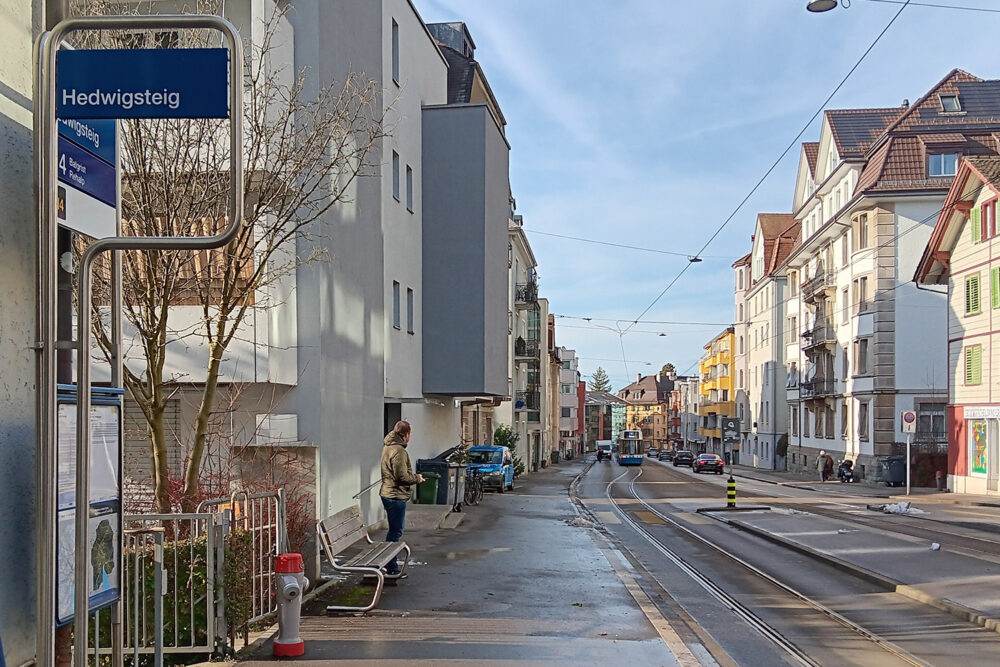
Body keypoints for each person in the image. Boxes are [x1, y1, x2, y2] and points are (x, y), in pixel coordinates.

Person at [380, 420, 424, 576]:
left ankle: (389, 564)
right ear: (406, 434)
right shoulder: (399, 451)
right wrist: (417, 478)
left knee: (394, 531)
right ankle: (391, 567)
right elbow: (401, 476)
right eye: (410, 434)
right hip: (395, 495)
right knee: (395, 532)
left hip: (389, 493)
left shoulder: (388, 446)